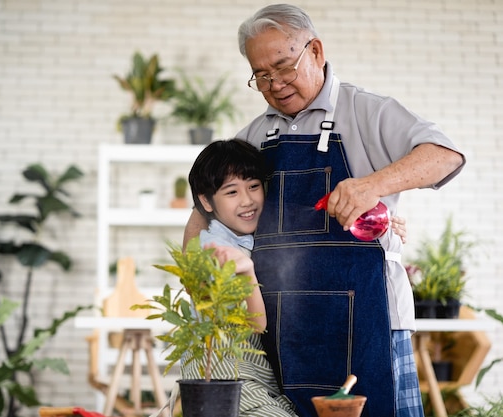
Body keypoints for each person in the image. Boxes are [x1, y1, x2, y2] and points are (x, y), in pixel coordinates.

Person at [184, 4, 465, 417]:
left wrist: (373, 185)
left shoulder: (368, 111)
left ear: (315, 51)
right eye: (262, 75)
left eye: (283, 67)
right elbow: (202, 214)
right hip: (282, 328)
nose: (275, 84)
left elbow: (445, 156)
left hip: (370, 320)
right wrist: (198, 274)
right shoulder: (253, 136)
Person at [185, 138, 297, 417]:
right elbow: (255, 325)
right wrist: (246, 271)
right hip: (222, 369)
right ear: (205, 201)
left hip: (249, 370)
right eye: (231, 192)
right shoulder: (215, 252)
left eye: (254, 186)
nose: (247, 200)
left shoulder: (249, 237)